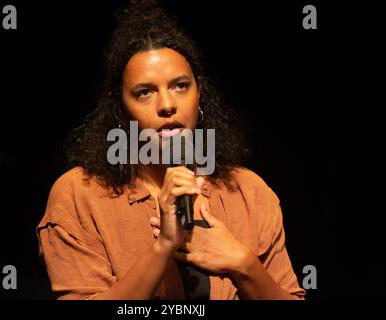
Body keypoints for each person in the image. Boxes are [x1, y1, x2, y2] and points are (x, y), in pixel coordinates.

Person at [36, 0, 305, 300]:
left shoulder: (247, 192)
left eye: (180, 86)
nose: (167, 105)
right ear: (120, 108)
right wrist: (163, 245)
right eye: (145, 92)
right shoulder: (79, 195)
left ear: (199, 92)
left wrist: (243, 264)